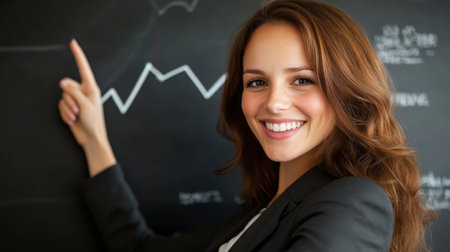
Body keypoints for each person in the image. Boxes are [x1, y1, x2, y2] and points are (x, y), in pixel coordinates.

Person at [58, 0, 433, 251]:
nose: (273, 102)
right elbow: (138, 247)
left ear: (348, 90)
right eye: (256, 82)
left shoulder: (352, 201)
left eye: (302, 79)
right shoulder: (259, 213)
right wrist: (95, 141)